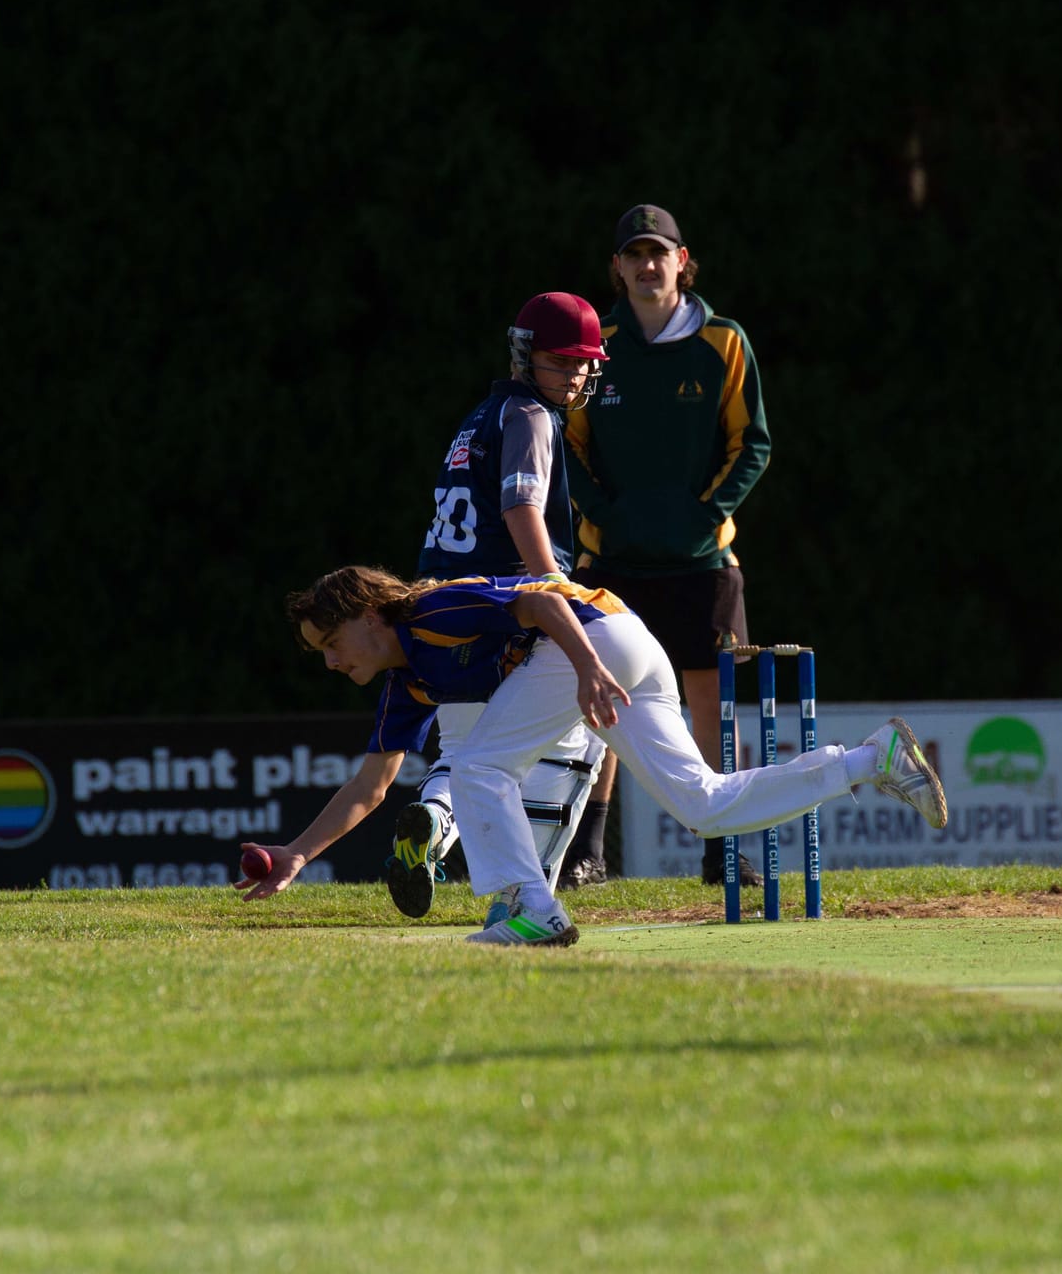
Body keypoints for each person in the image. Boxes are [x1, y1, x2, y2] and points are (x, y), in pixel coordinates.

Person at [238, 567, 948, 947]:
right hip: (623, 645)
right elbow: (372, 781)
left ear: (368, 615)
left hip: (593, 637)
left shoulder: (434, 612)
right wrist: (299, 852)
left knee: (477, 767)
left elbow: (545, 602)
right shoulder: (407, 680)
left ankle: (531, 908)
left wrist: (585, 670)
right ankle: (867, 759)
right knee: (703, 804)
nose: (329, 661)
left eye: (331, 642)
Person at [561, 204, 773, 890]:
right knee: (601, 699)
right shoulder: (597, 344)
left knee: (710, 699)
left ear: (684, 261)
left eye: (661, 253)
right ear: (618, 269)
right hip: (612, 559)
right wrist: (604, 515)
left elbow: (753, 444)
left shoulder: (724, 341)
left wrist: (707, 513)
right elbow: (566, 444)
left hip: (703, 561)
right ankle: (588, 848)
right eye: (635, 254)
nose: (649, 265)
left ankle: (719, 846)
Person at [384, 294, 608, 922]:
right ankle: (525, 899)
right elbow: (521, 511)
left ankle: (432, 818)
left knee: (462, 756)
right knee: (570, 749)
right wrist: (555, 590)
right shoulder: (531, 415)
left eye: (584, 362)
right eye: (561, 360)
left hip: (436, 606)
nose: (576, 374)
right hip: (501, 603)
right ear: (523, 354)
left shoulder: (479, 415)